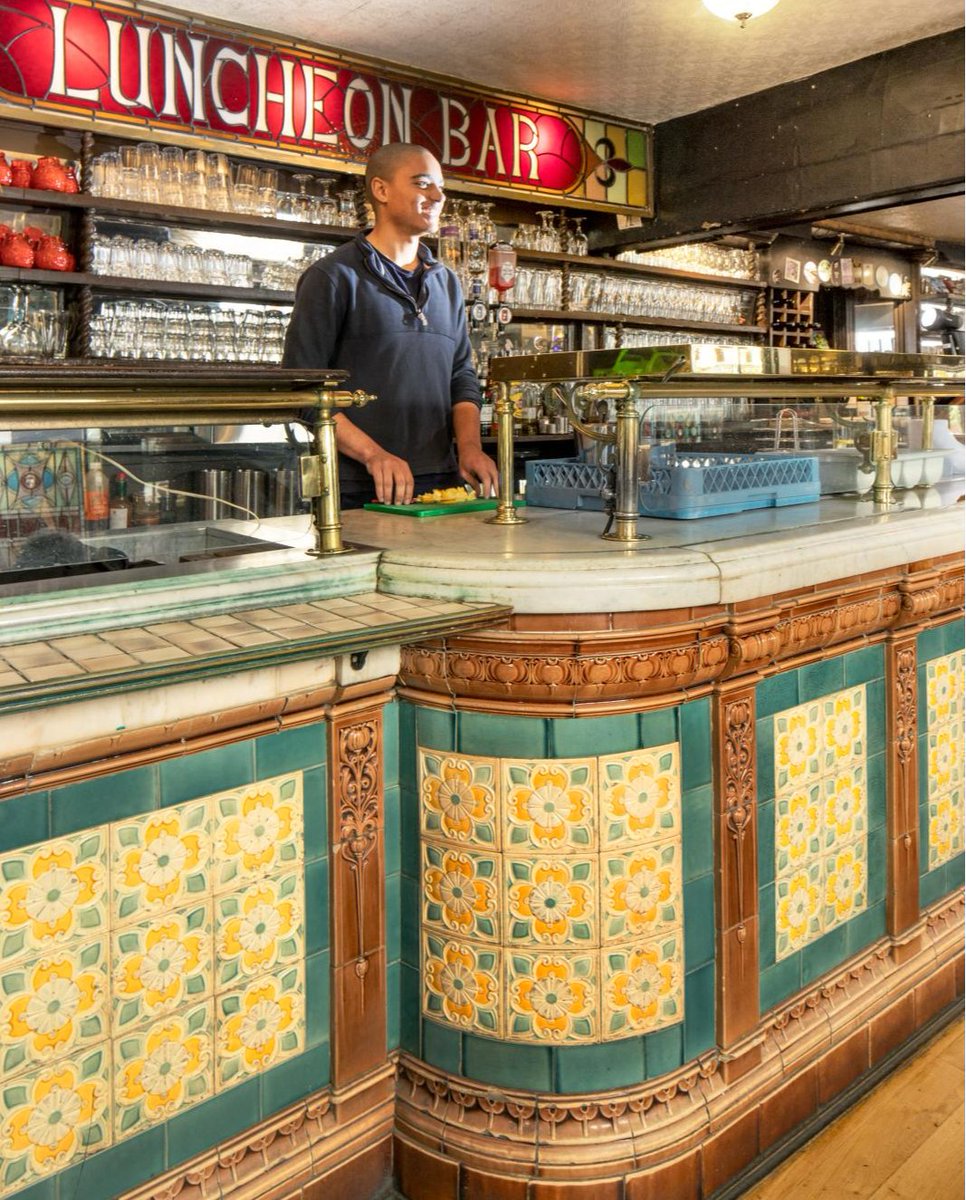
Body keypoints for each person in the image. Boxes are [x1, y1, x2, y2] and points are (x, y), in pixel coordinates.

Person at [282, 142, 499, 508]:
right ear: (381, 190)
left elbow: (461, 376)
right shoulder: (334, 277)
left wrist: (471, 448)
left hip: (443, 482)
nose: (437, 195)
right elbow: (303, 392)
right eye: (422, 184)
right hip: (359, 485)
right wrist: (372, 455)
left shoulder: (445, 281)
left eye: (440, 187)